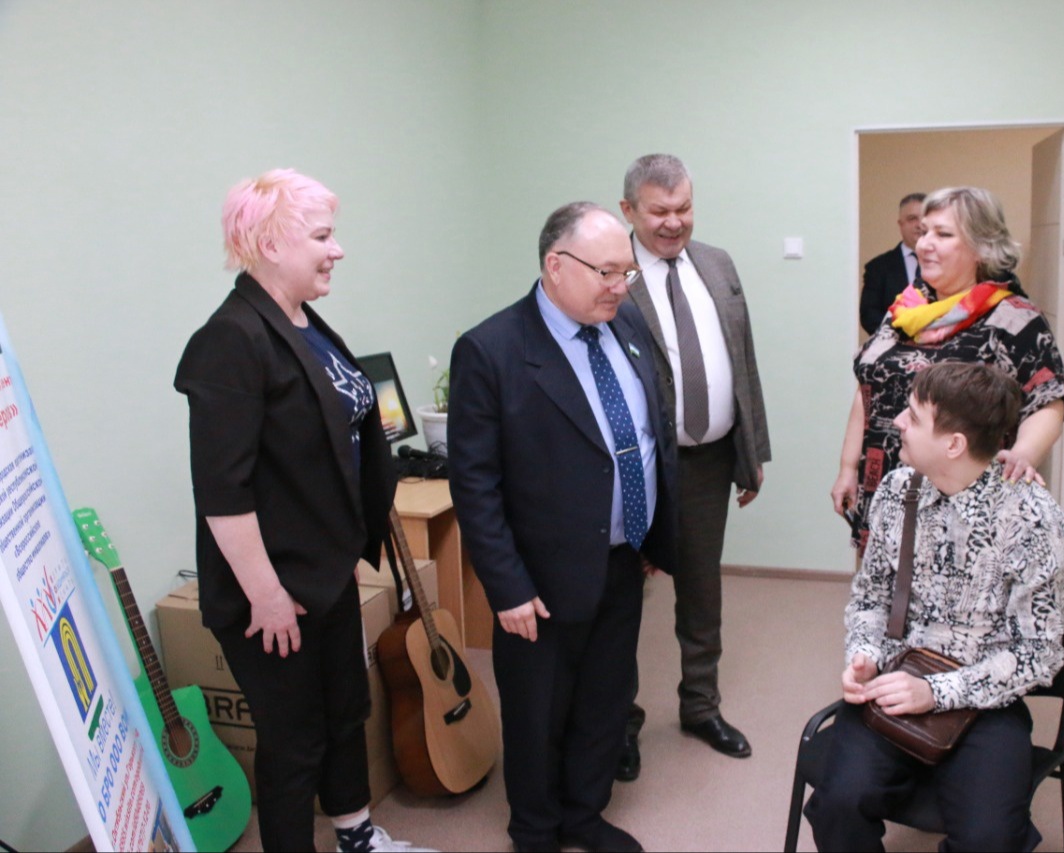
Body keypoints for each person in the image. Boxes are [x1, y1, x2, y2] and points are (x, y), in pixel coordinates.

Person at [174, 169, 429, 853]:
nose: (336, 249)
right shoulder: (231, 339)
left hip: (324, 570)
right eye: (321, 236)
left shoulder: (300, 320)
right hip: (271, 589)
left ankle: (356, 835)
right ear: (269, 244)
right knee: (294, 740)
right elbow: (222, 491)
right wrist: (268, 596)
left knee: (345, 711)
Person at [448, 202, 678, 853]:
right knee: (538, 709)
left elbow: (648, 431)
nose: (620, 286)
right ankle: (535, 829)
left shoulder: (624, 322)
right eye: (606, 272)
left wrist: (651, 528)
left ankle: (583, 813)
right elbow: (475, 483)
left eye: (627, 272)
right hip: (539, 575)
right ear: (555, 265)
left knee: (606, 698)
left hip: (622, 556)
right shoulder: (492, 350)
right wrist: (507, 587)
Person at [805, 361, 1064, 851]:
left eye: (913, 416)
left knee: (990, 838)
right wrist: (864, 654)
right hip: (896, 679)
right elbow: (870, 597)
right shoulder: (896, 492)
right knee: (838, 803)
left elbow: (1039, 654)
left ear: (954, 444)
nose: (897, 422)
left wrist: (936, 693)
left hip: (985, 700)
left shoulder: (1036, 521)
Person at [617, 153, 771, 777]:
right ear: (629, 210)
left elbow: (743, 357)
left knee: (701, 592)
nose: (674, 222)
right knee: (623, 596)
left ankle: (701, 706)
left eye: (683, 208)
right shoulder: (612, 272)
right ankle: (619, 722)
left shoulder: (717, 263)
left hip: (709, 461)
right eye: (659, 211)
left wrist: (751, 452)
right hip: (638, 466)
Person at [830, 186, 1064, 553]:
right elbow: (868, 388)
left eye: (943, 234)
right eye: (923, 231)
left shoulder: (1013, 319)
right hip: (883, 485)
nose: (925, 243)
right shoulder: (904, 311)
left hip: (960, 499)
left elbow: (1048, 399)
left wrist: (1024, 453)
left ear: (981, 247)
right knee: (882, 583)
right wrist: (848, 468)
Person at [859, 193, 926, 334]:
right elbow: (869, 315)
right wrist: (902, 337)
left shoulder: (949, 263)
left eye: (924, 218)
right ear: (901, 225)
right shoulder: (878, 268)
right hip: (894, 342)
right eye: (912, 218)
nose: (919, 225)